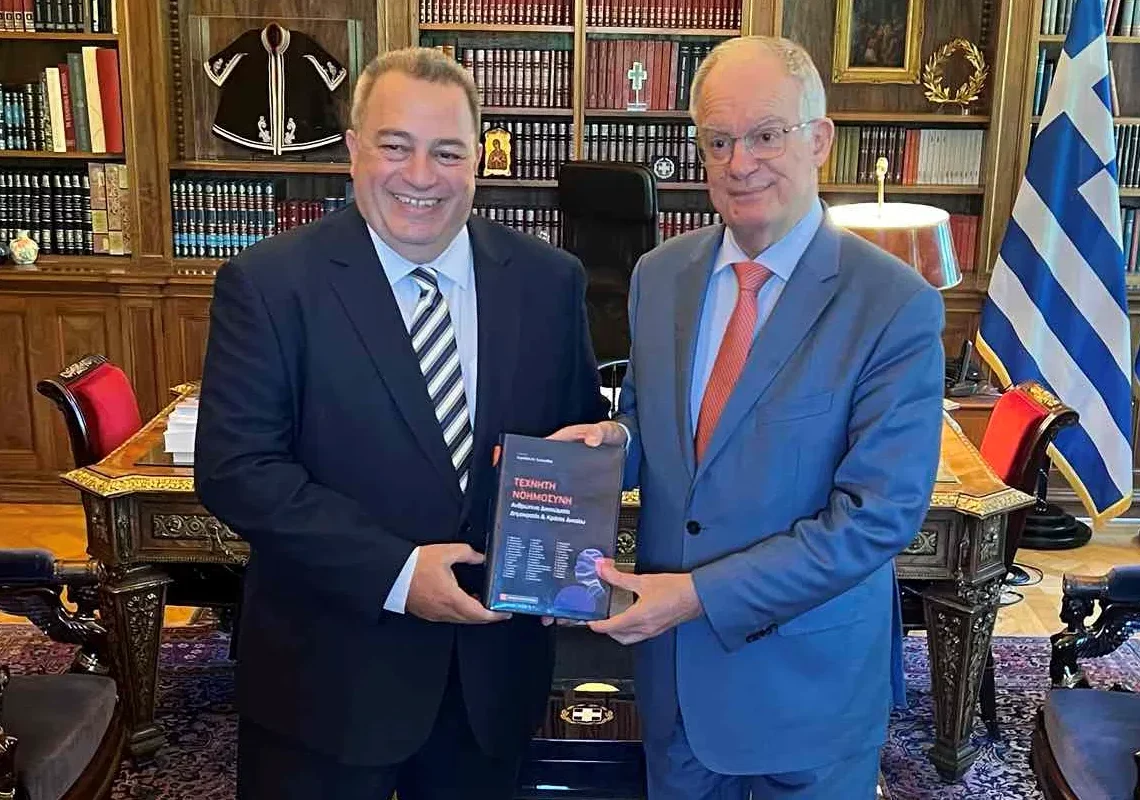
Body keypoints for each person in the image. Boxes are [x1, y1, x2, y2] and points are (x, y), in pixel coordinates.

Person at [194, 46, 607, 799]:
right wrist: (397, 573)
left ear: (479, 159)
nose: (421, 176)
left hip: (490, 677)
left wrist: (570, 541)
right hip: (328, 681)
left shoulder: (549, 281)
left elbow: (570, 441)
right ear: (354, 150)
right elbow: (237, 470)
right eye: (395, 146)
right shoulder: (269, 284)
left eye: (447, 152)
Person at [551, 35, 945, 799]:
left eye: (766, 135)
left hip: (807, 692)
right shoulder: (659, 275)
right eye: (718, 140)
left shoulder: (894, 304)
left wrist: (697, 596)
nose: (740, 163)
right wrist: (608, 444)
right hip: (674, 683)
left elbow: (876, 519)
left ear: (819, 140)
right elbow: (653, 425)